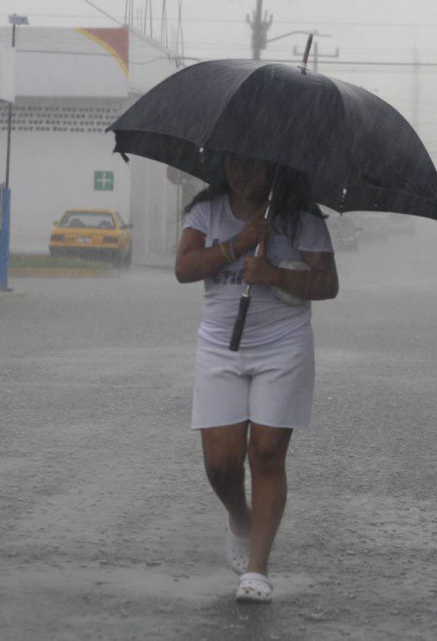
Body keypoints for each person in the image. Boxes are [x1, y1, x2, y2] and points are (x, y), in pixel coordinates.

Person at [174, 152, 339, 603]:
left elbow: (327, 284)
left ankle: (257, 569)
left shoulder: (300, 218)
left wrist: (273, 274)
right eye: (235, 164)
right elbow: (184, 268)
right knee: (221, 463)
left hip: (283, 346)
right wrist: (240, 242)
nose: (243, 174)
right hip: (220, 347)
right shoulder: (206, 211)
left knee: (265, 453)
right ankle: (240, 518)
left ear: (275, 168)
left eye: (254, 165)